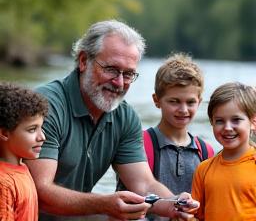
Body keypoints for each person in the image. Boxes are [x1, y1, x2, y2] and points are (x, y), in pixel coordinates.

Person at [25, 19, 199, 221]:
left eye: (128, 74)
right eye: (111, 69)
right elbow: (40, 191)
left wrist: (174, 204)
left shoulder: (125, 117)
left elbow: (143, 184)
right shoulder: (45, 107)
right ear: (83, 61)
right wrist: (104, 205)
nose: (119, 82)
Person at [116, 53, 214, 220]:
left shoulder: (206, 152)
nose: (183, 109)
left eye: (190, 102)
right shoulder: (139, 144)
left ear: (199, 101)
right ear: (157, 100)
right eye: (174, 101)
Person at [191, 82, 256, 221]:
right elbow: (197, 216)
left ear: (253, 122)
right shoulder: (204, 169)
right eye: (219, 121)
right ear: (212, 122)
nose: (227, 127)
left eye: (236, 120)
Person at [0, 82, 48, 221]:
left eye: (41, 128)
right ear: (4, 133)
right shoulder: (3, 184)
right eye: (32, 129)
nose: (42, 137)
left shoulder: (22, 167)